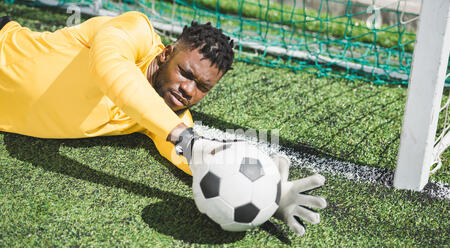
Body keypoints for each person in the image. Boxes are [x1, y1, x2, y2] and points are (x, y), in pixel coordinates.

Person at [0, 11, 326, 236]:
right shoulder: (134, 33)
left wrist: (271, 192)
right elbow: (110, 71)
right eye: (185, 73)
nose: (188, 90)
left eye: (203, 87)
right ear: (166, 54)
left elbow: (209, 163)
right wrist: (183, 135)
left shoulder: (171, 119)